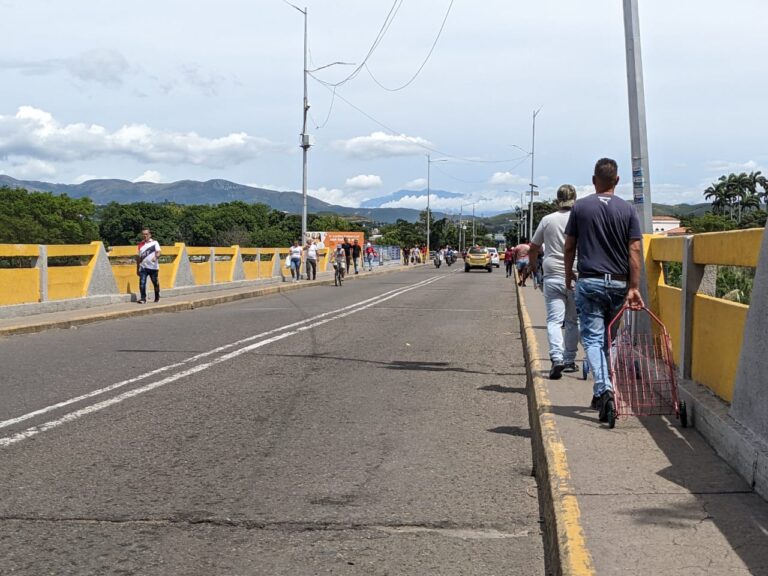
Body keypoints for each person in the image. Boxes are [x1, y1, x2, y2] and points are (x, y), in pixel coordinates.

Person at [564, 158, 644, 422]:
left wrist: (568, 274)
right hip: (620, 283)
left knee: (594, 340)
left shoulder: (580, 208)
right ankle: (603, 391)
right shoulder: (628, 210)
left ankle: (604, 390)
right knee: (608, 340)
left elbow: (569, 247)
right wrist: (634, 286)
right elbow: (634, 250)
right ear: (617, 181)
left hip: (590, 281)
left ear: (594, 180)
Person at [529, 184, 580, 380]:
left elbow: (534, 246)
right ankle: (569, 360)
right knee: (572, 321)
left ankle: (556, 358)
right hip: (576, 274)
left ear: (557, 200)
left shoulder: (547, 220)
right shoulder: (580, 219)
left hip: (551, 275)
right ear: (575, 198)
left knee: (554, 320)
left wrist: (534, 267)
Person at [136, 227, 161, 304]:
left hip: (153, 267)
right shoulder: (140, 245)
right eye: (143, 234)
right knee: (142, 283)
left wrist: (156, 257)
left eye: (146, 234)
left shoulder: (154, 243)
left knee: (155, 283)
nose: (145, 236)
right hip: (143, 267)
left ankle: (157, 296)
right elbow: (139, 258)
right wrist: (137, 268)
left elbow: (159, 252)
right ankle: (143, 298)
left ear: (150, 234)